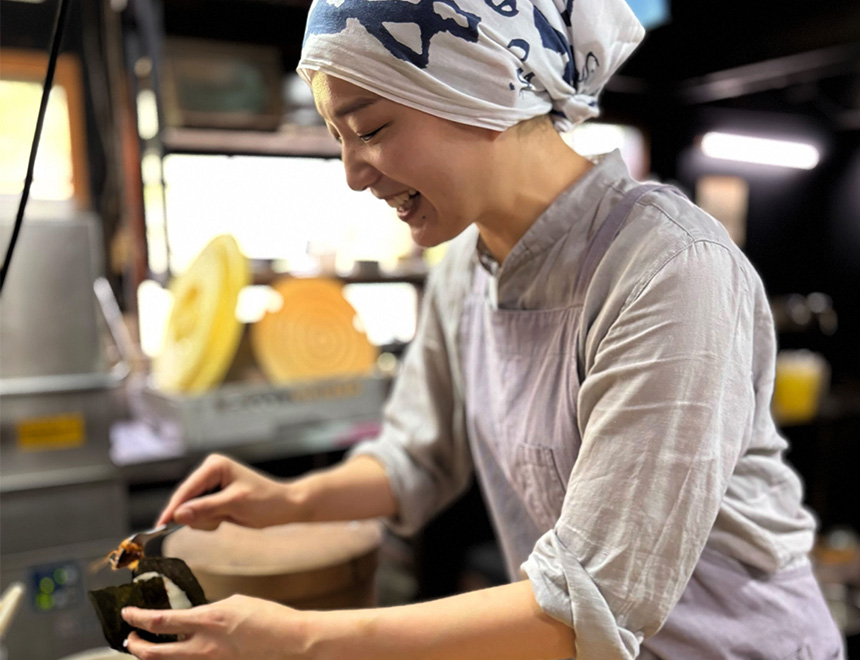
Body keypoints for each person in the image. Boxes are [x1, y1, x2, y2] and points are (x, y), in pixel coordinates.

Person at [122, 0, 846, 658]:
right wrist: (287, 501)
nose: (352, 173)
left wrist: (301, 639)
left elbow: (582, 607)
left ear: (483, 87)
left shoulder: (670, 271)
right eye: (339, 137)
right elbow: (416, 455)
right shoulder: (465, 265)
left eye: (370, 128)